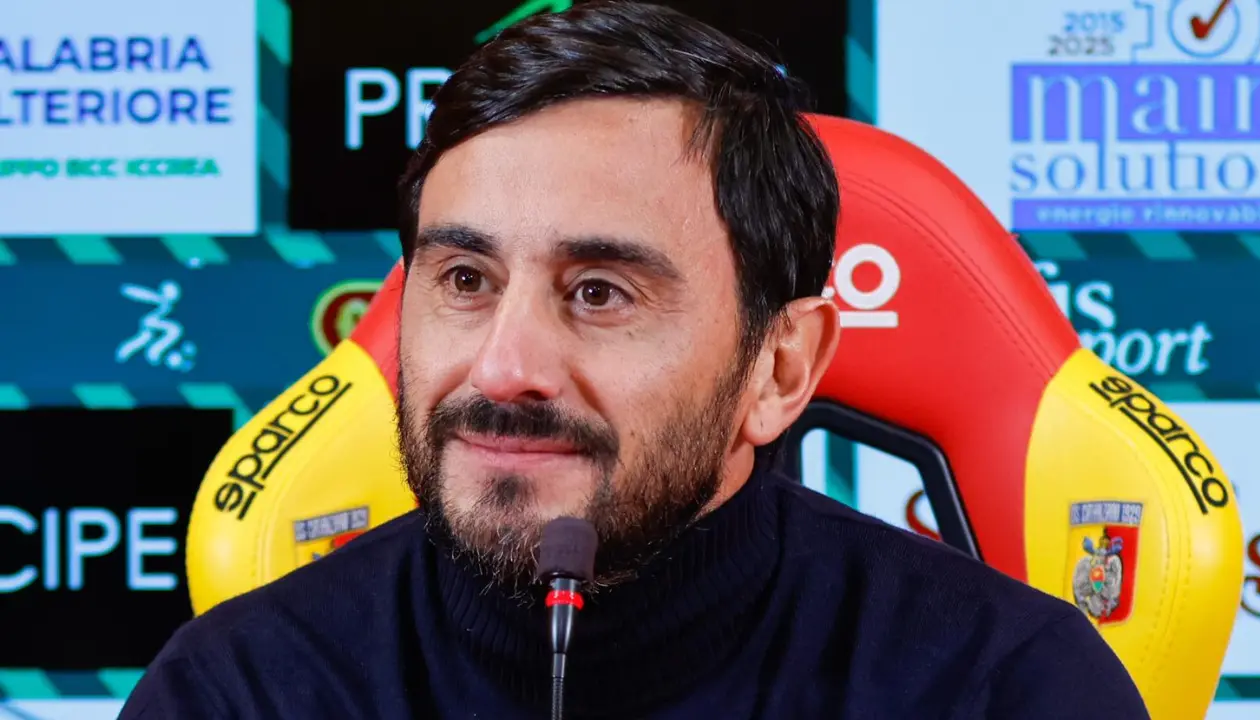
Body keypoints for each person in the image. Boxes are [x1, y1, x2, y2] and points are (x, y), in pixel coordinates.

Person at [120, 2, 1151, 718]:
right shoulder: (237, 691)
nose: (504, 369)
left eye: (599, 293)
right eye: (466, 280)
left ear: (780, 369)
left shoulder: (1008, 686)